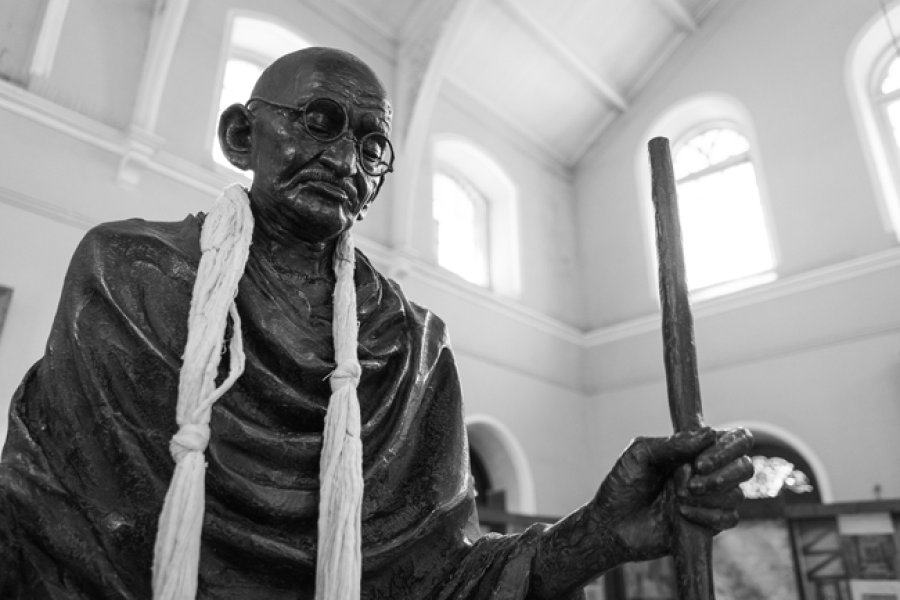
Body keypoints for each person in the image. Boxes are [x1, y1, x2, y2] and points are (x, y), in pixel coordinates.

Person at [0, 47, 753, 599]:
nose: (344, 158)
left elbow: (447, 580)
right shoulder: (128, 274)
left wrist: (601, 533)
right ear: (241, 136)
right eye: (319, 121)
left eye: (371, 145)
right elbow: (44, 530)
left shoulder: (410, 347)